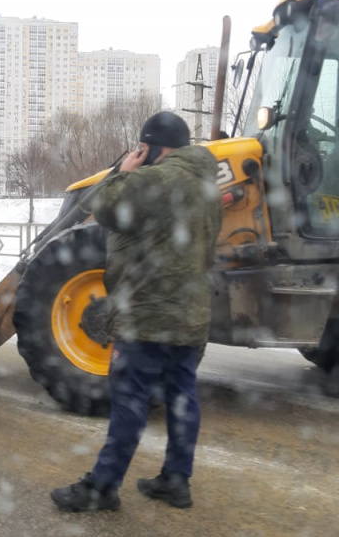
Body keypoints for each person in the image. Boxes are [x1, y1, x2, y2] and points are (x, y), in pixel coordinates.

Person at [50, 111, 223, 512]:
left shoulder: (156, 179)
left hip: (146, 313)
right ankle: (176, 480)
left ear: (153, 148)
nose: (140, 156)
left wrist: (123, 171)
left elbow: (106, 208)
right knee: (182, 395)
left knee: (129, 398)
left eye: (143, 149)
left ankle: (103, 487)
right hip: (190, 312)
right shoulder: (207, 184)